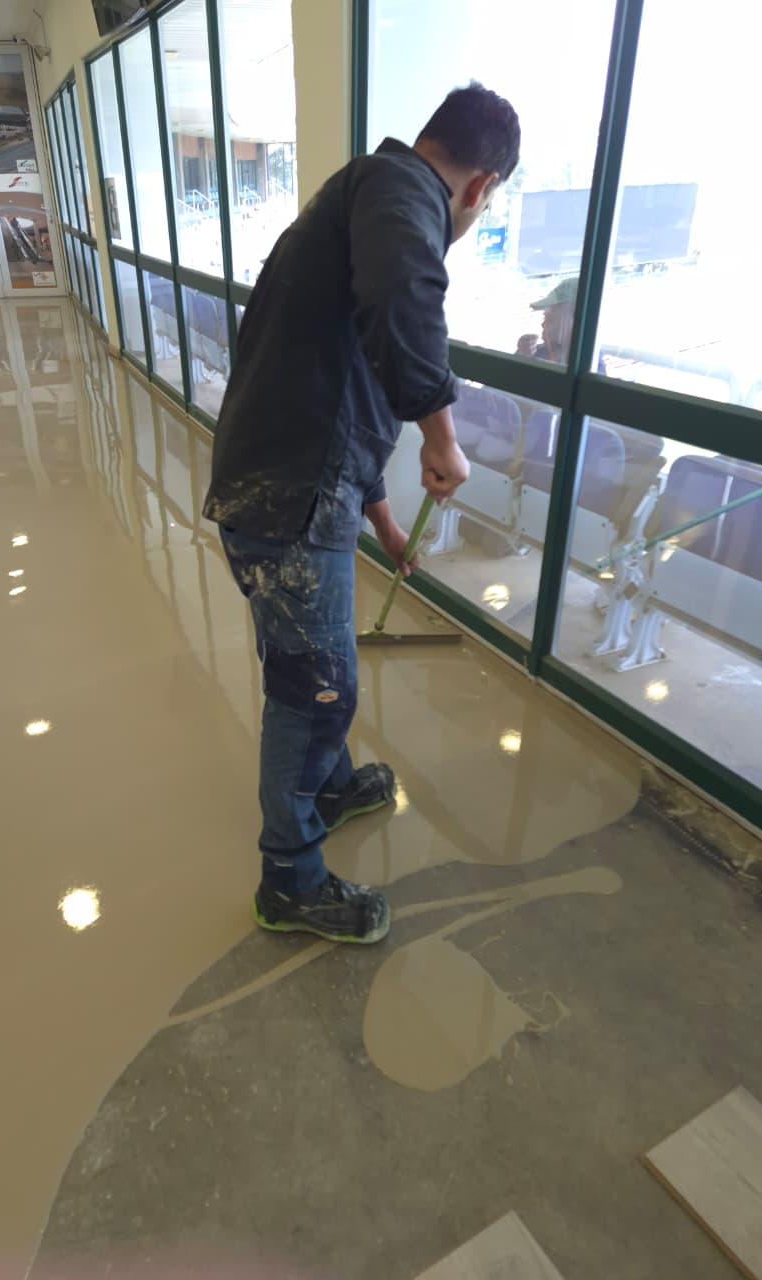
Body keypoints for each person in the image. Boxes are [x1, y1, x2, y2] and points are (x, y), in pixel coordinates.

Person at [203, 83, 521, 945]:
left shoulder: (363, 191)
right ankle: (290, 881)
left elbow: (345, 384)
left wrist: (381, 519)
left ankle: (333, 786)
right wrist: (442, 438)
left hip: (288, 486)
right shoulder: (401, 194)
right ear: (481, 185)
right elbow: (404, 301)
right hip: (289, 497)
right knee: (314, 690)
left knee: (310, 662)